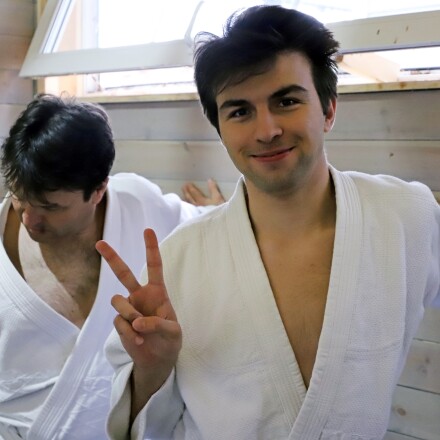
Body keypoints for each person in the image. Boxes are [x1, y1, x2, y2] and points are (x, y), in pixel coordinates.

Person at [98, 5, 440, 440]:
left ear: (329, 109)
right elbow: (144, 428)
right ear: (221, 130)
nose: (266, 130)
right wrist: (153, 369)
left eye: (287, 101)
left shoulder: (404, 216)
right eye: (239, 112)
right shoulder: (179, 263)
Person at [0, 93, 224, 440]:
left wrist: (218, 213)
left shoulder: (138, 206)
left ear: (98, 190)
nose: (29, 219)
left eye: (51, 207)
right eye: (18, 196)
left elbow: (204, 225)